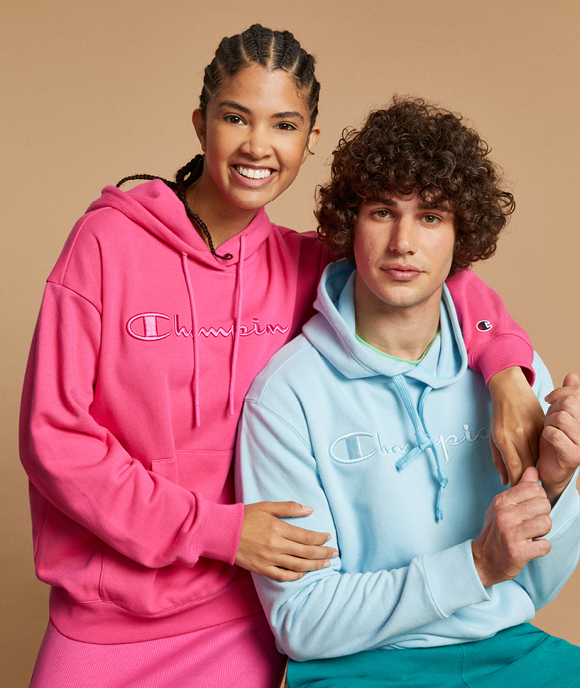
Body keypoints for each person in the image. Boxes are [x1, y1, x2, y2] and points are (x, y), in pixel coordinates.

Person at [20, 24, 544, 688]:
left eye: (284, 125)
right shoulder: (106, 245)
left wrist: (507, 372)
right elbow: (55, 440)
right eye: (236, 117)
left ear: (310, 140)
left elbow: (434, 277)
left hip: (248, 621)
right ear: (200, 123)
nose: (258, 146)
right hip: (108, 616)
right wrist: (216, 531)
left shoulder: (301, 262)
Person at [236, 97, 580, 687]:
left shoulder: (515, 380)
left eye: (431, 217)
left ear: (460, 236)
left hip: (507, 649)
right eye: (382, 212)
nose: (403, 242)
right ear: (350, 224)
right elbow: (301, 620)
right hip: (358, 668)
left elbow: (534, 586)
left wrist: (555, 487)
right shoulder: (286, 397)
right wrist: (475, 564)